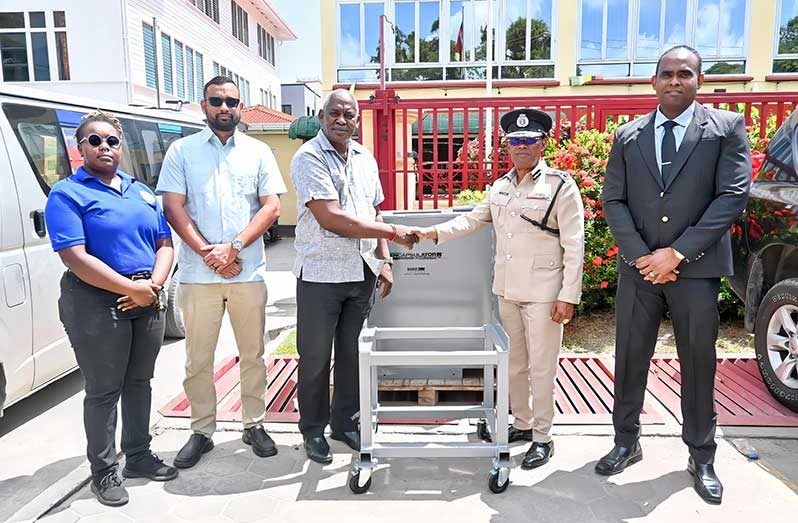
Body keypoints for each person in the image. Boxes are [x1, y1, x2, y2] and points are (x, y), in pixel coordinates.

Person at [597, 45, 751, 504]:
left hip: (697, 271)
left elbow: (732, 195)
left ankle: (701, 455)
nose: (675, 80)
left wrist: (677, 254)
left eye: (685, 73)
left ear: (699, 79)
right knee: (629, 359)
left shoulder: (724, 128)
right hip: (638, 270)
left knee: (699, 364)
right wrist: (645, 256)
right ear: (653, 81)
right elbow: (614, 200)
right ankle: (626, 441)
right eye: (666, 73)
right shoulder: (628, 135)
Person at [410, 108, 585, 469]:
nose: (522, 146)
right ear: (507, 146)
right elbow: (472, 220)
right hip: (507, 291)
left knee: (542, 367)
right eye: (515, 141)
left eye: (529, 140)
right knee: (515, 365)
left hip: (544, 294)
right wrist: (432, 232)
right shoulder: (500, 187)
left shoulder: (560, 186)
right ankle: (522, 423)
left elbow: (575, 243)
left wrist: (568, 295)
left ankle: (543, 436)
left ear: (543, 144)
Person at [45, 111, 177, 507]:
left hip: (147, 297)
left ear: (122, 147)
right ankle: (103, 473)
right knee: (104, 390)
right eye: (95, 141)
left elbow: (165, 242)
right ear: (80, 147)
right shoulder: (67, 193)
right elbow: (74, 256)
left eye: (112, 141)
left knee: (140, 382)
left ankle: (137, 456)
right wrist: (130, 289)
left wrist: (153, 286)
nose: (105, 147)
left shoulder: (140, 191)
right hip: (96, 302)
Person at [157, 76, 287, 468]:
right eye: (216, 100)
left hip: (247, 272)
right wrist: (208, 253)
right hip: (198, 276)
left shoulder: (259, 151)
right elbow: (173, 207)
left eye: (231, 101)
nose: (224, 107)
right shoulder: (182, 151)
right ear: (204, 106)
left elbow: (271, 207)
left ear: (241, 107)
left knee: (253, 354)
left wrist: (234, 248)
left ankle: (254, 423)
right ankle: (202, 430)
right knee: (198, 358)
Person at [291, 89, 417, 464]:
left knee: (351, 355)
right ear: (321, 114)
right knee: (314, 357)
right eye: (335, 113)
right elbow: (332, 219)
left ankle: (343, 422)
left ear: (357, 119)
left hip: (360, 273)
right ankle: (312, 430)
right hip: (319, 275)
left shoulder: (364, 158)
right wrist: (394, 235)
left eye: (349, 115)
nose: (342, 121)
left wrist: (385, 261)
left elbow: (374, 212)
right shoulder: (308, 157)